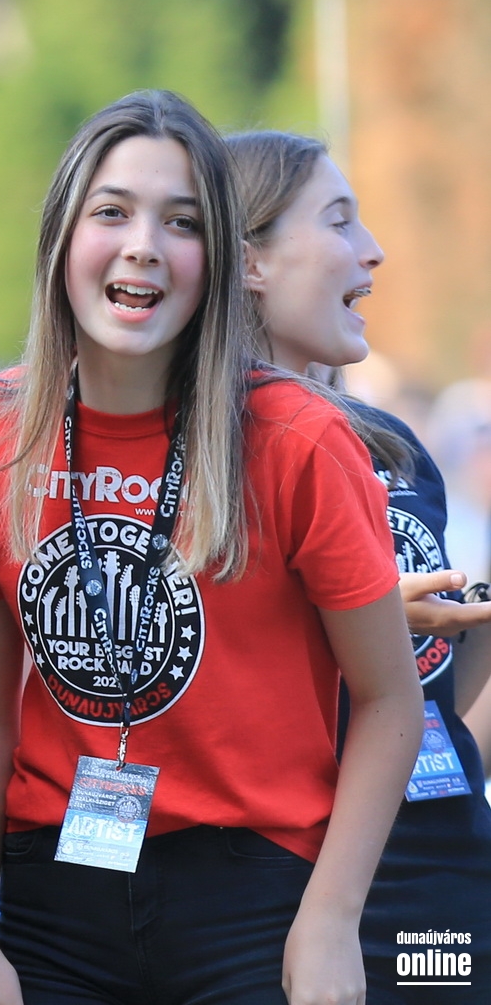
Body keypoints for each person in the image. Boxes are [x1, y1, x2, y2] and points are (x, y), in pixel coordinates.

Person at [0, 90, 423, 1005]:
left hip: (254, 901)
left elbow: (388, 702)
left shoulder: (297, 439)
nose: (143, 244)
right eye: (111, 212)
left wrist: (331, 920)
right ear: (60, 237)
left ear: (218, 261)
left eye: (180, 222)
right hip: (52, 902)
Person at [229, 129, 491, 1002]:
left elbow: (429, 696)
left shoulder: (394, 446)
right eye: (338, 220)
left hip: (438, 864)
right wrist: (361, 618)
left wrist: (475, 621)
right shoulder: (203, 462)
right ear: (249, 261)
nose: (372, 249)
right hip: (295, 880)